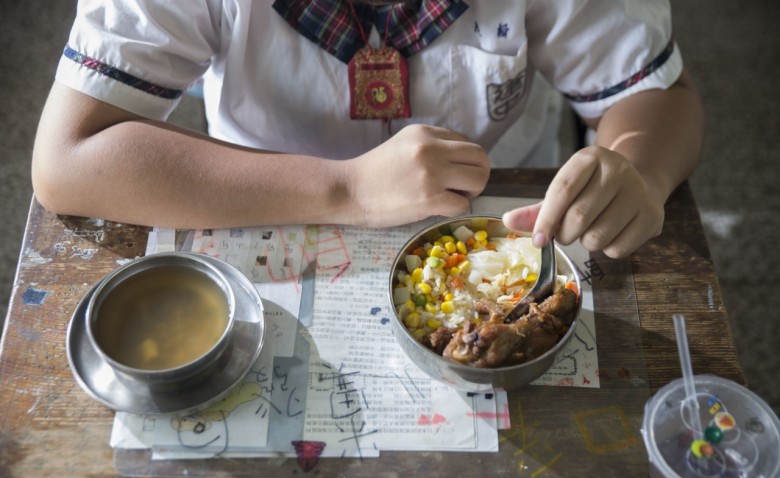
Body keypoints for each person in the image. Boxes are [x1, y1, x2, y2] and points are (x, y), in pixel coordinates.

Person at [32, 0, 703, 259]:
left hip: (503, 209)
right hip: (262, 199)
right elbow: (70, 159)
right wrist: (345, 190)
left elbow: (659, 96)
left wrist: (638, 167)